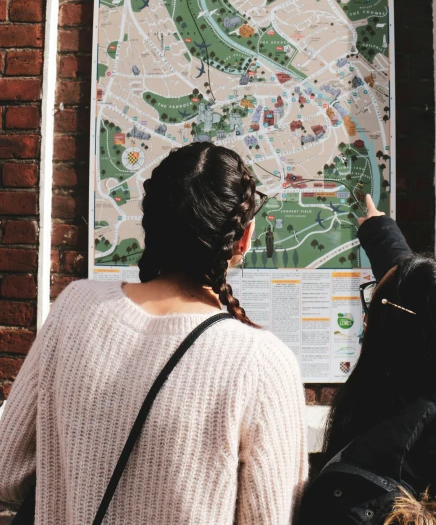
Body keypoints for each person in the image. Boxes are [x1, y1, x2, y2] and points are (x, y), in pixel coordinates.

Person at [0, 143, 308, 525]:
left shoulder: (76, 306)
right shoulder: (262, 362)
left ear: (150, 226)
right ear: (242, 239)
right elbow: (269, 518)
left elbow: (7, 468)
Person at [295, 195, 436, 525]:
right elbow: (431, 306)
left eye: (373, 309)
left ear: (396, 345)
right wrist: (379, 230)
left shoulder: (366, 499)